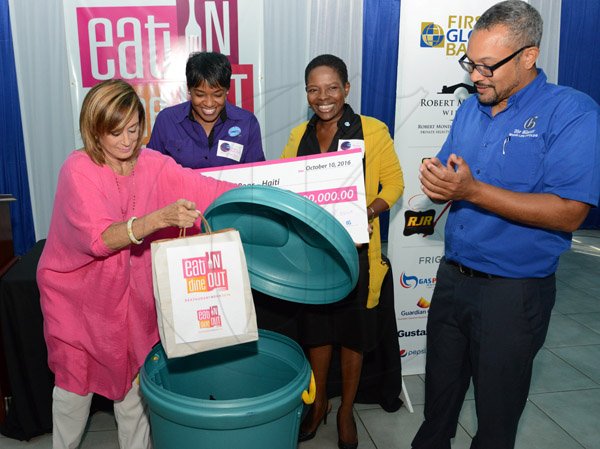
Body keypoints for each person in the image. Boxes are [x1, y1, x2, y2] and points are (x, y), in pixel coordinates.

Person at [411, 2, 600, 449]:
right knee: (437, 406)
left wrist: (472, 192)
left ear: (528, 56)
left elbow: (570, 211)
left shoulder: (572, 112)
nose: (476, 76)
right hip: (453, 280)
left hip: (514, 294)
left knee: (496, 419)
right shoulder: (471, 107)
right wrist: (440, 184)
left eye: (487, 66)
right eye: (470, 64)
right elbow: (451, 176)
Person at [37, 79, 236, 449]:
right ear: (94, 131)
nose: (127, 141)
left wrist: (266, 193)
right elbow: (99, 239)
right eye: (115, 133)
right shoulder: (77, 169)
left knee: (132, 394)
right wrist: (158, 219)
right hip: (78, 306)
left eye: (133, 129)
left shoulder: (152, 164)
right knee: (72, 396)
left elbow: (206, 188)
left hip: (132, 305)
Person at [281, 54, 404, 449]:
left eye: (332, 87)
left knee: (351, 334)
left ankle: (346, 410)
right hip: (312, 256)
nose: (324, 97)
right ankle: (318, 405)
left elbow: (395, 185)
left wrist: (364, 212)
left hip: (356, 253)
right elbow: (285, 186)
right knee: (317, 332)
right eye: (314, 89)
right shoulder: (298, 135)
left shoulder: (373, 130)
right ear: (306, 94)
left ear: (347, 89)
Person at [147, 51, 265, 168]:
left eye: (217, 95)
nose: (209, 103)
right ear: (189, 89)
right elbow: (151, 171)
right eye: (200, 95)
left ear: (227, 90)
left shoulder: (247, 123)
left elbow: (257, 176)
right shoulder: (167, 121)